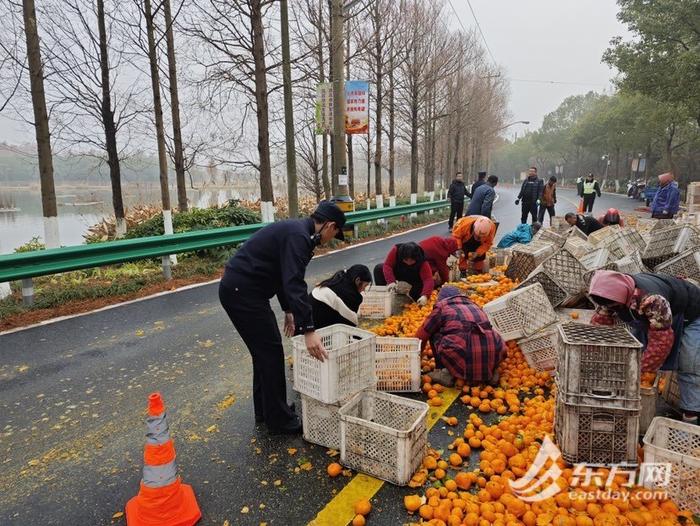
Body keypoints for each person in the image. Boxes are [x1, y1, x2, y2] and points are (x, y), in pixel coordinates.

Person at [219, 201, 346, 434]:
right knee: (271, 352)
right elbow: (294, 282)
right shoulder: (299, 237)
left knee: (263, 353)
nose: (331, 239)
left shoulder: (299, 233)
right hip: (243, 293)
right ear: (330, 225)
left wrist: (288, 310)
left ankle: (267, 411)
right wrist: (309, 330)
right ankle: (279, 420)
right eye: (335, 234)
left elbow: (281, 274)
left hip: (242, 290)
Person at [589, 270, 700, 423]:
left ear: (624, 295)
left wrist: (638, 371)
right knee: (634, 353)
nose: (612, 308)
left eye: (615, 305)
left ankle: (691, 415)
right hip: (658, 318)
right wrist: (597, 358)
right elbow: (600, 326)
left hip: (692, 313)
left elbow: (661, 342)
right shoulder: (611, 295)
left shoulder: (653, 301)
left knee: (689, 362)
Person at [415, 286, 506, 386]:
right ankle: (491, 372)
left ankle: (444, 372)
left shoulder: (442, 307)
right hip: (492, 353)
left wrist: (414, 360)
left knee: (433, 330)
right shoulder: (475, 305)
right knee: (487, 335)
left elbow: (421, 336)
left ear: (441, 298)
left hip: (464, 355)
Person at [309, 265, 372, 330]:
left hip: (305, 321)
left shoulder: (340, 278)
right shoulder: (351, 296)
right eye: (365, 285)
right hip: (314, 329)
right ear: (357, 280)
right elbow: (351, 324)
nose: (364, 289)